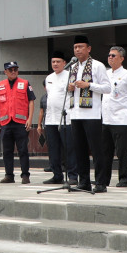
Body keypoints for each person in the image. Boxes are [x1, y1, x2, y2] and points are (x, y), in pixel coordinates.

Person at [65, 35, 111, 193]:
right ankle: (83, 181)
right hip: (75, 114)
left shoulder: (98, 66)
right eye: (75, 47)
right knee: (80, 150)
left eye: (81, 47)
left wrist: (88, 85)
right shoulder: (72, 67)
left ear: (89, 48)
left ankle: (101, 183)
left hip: (92, 115)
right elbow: (69, 90)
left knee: (96, 150)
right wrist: (70, 87)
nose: (77, 50)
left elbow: (107, 88)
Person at [101, 47, 127, 189]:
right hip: (106, 118)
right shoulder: (105, 74)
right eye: (109, 55)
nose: (110, 57)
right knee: (105, 152)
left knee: (122, 151)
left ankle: (124, 178)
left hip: (122, 119)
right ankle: (104, 179)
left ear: (122, 58)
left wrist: (126, 109)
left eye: (113, 55)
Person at [0, 62, 35, 184]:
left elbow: (31, 101)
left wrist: (30, 119)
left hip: (21, 122)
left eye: (15, 69)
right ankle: (9, 175)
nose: (13, 71)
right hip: (5, 123)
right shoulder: (0, 85)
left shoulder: (25, 83)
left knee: (23, 150)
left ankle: (25, 175)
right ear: (5, 72)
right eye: (10, 70)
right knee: (7, 151)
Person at [40, 52, 73, 185]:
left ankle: (72, 176)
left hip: (66, 119)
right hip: (50, 119)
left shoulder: (70, 76)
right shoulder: (49, 78)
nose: (55, 64)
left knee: (69, 149)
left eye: (58, 61)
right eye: (53, 62)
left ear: (64, 63)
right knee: (53, 149)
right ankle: (56, 175)